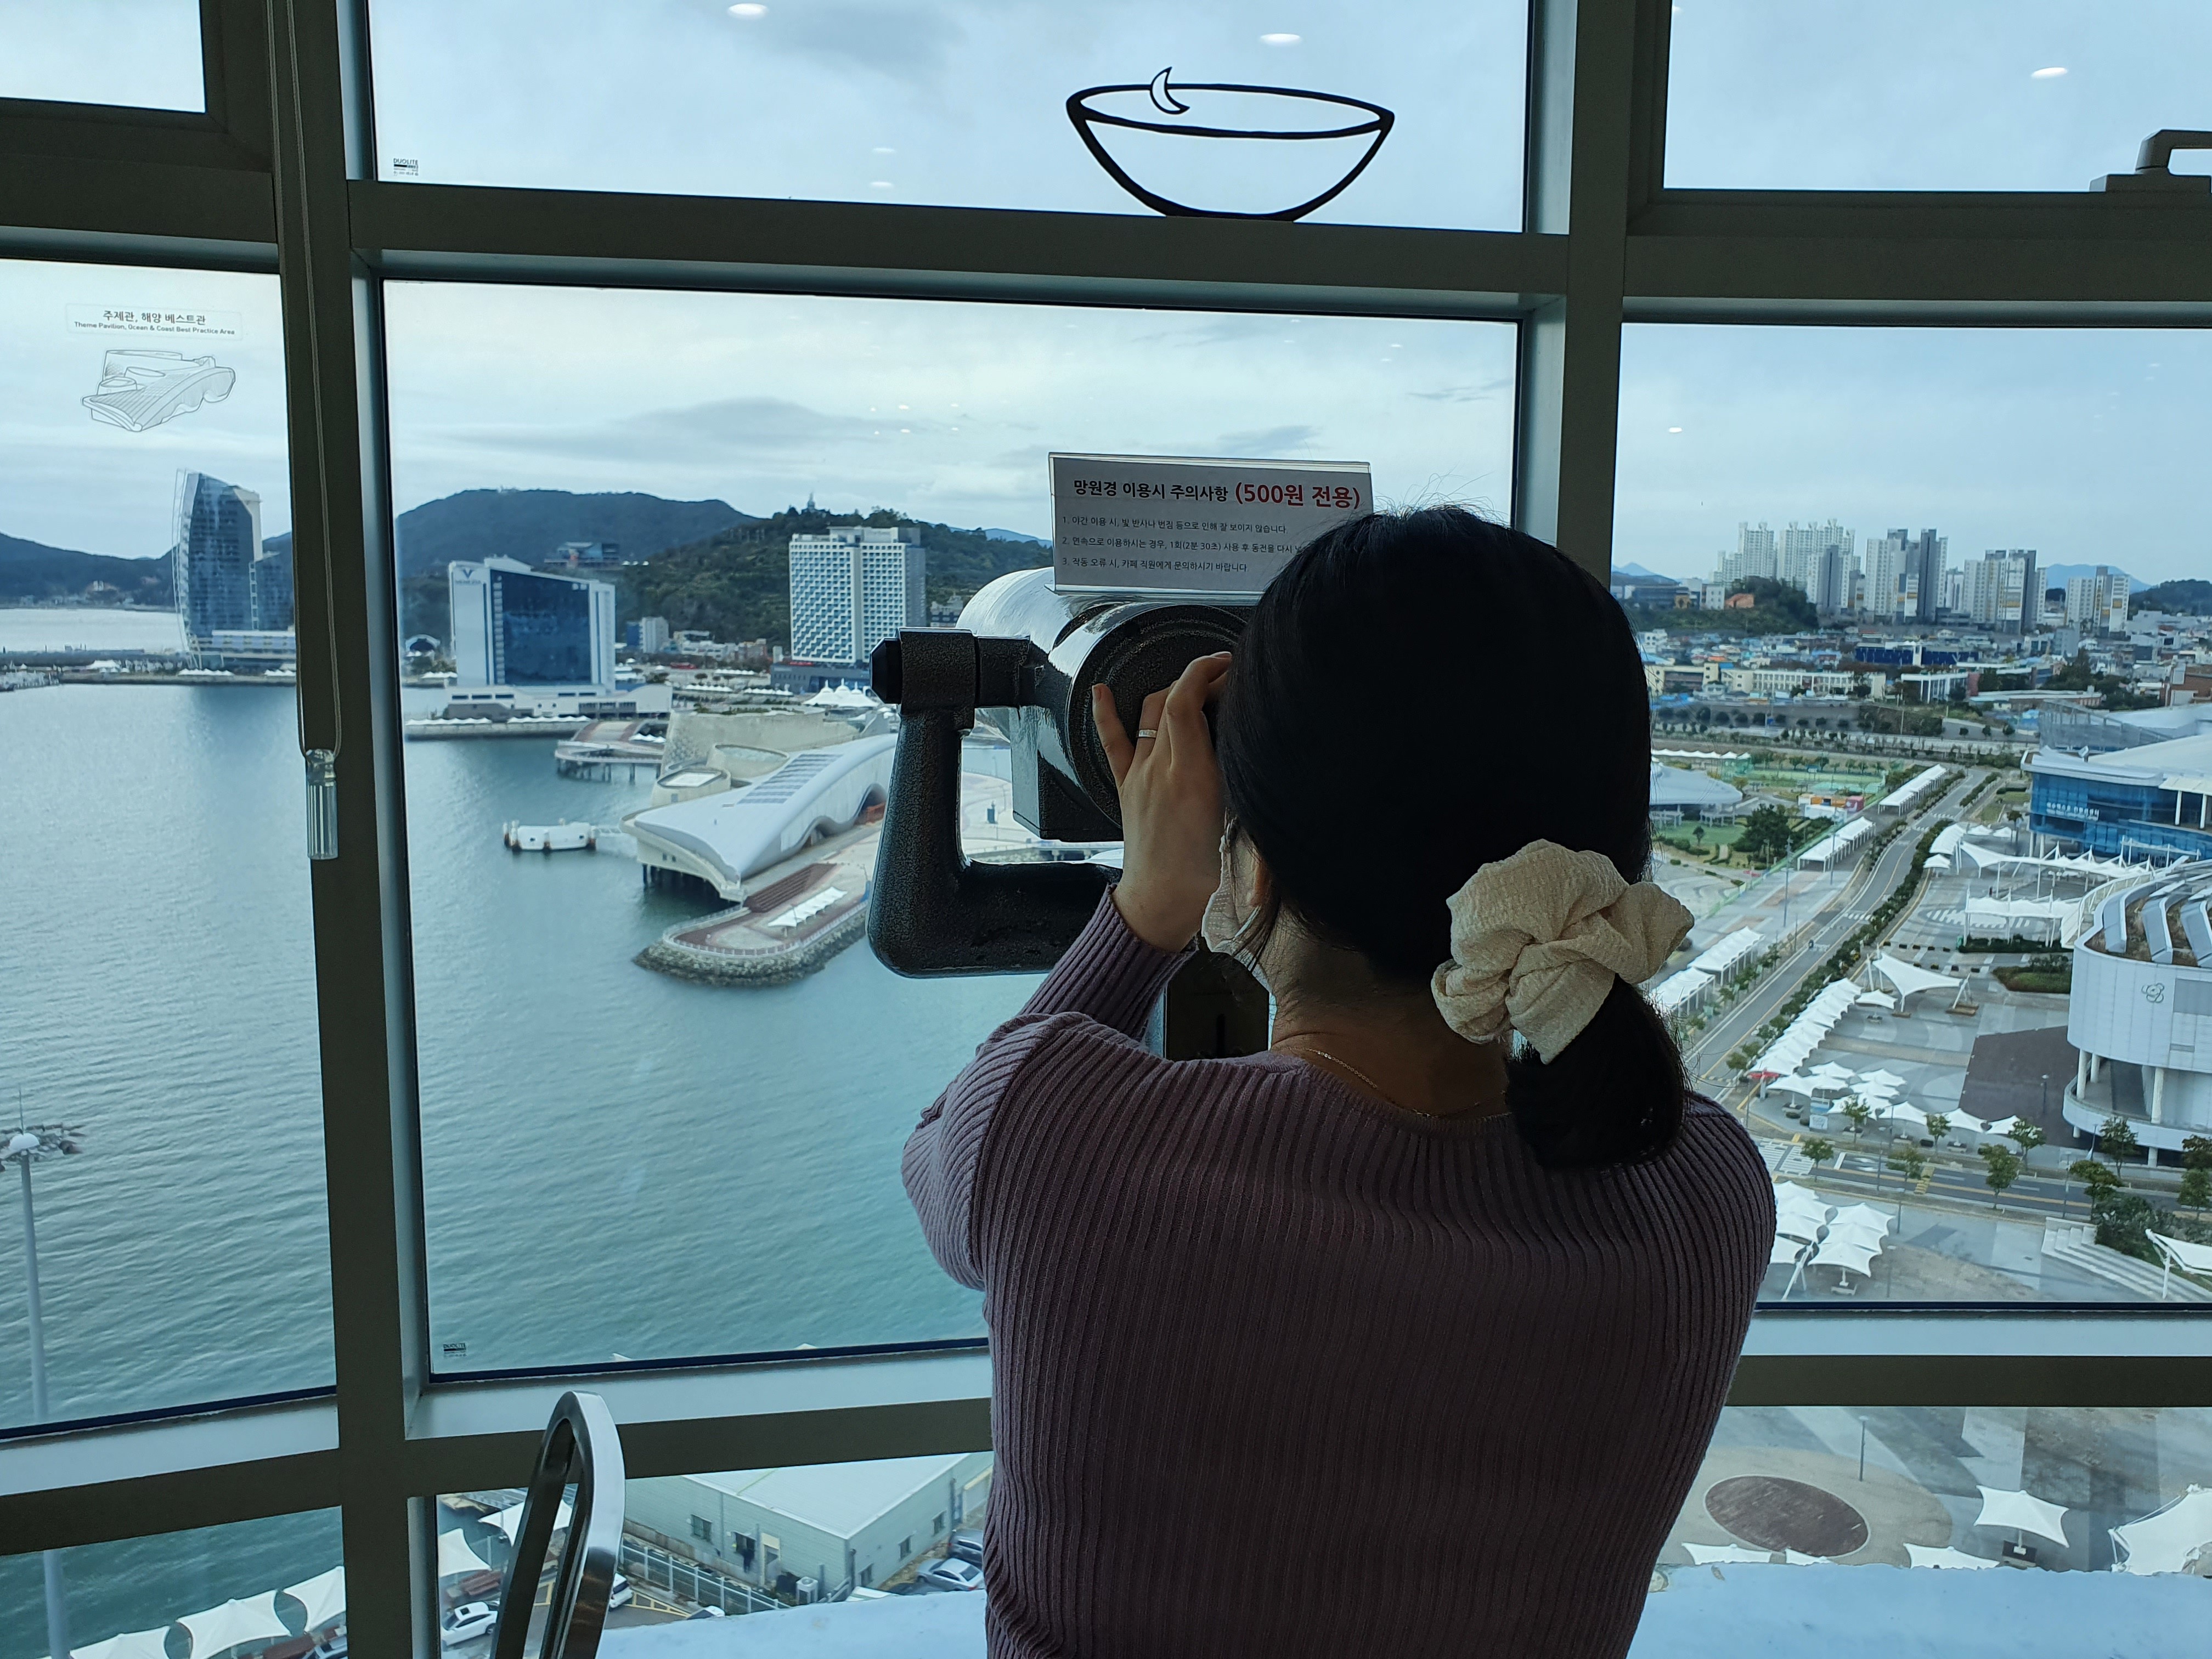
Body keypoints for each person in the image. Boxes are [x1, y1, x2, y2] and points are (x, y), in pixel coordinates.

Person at [904, 507, 1772, 1657]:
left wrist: (1145, 911)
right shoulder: (1706, 1195)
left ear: (1250, 856)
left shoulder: (1060, 1144)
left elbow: (943, 1156)